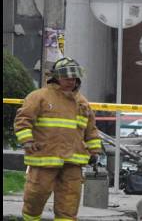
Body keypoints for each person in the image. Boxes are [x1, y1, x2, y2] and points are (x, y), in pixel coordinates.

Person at [14, 57, 102, 220]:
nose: (71, 81)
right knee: (35, 197)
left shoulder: (82, 103)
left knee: (69, 203)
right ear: (56, 77)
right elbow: (23, 120)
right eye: (67, 78)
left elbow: (90, 130)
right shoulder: (39, 97)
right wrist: (27, 141)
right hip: (45, 158)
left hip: (73, 161)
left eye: (74, 78)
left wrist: (94, 152)